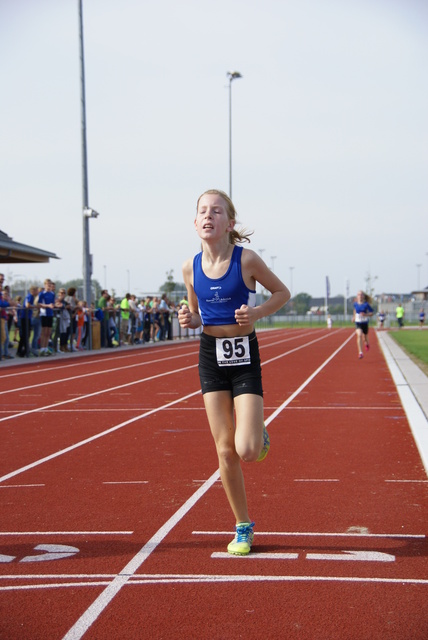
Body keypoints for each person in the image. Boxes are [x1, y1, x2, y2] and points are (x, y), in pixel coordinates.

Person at [178, 189, 290, 556]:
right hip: (211, 356)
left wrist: (256, 314)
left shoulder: (247, 261)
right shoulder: (189, 267)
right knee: (224, 451)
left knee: (247, 449)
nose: (208, 216)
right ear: (195, 223)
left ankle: (257, 434)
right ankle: (243, 525)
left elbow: (281, 292)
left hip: (244, 357)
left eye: (217, 211)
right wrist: (189, 319)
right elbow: (196, 315)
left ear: (230, 222)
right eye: (202, 212)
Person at [352, 290, 374, 359]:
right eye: (359, 294)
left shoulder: (366, 304)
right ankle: (360, 353)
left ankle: (366, 343)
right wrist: (354, 317)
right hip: (358, 322)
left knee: (365, 338)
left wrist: (365, 314)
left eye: (361, 295)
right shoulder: (355, 304)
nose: (360, 296)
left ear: (363, 296)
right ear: (357, 296)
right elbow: (355, 310)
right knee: (359, 334)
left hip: (364, 323)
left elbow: (371, 313)